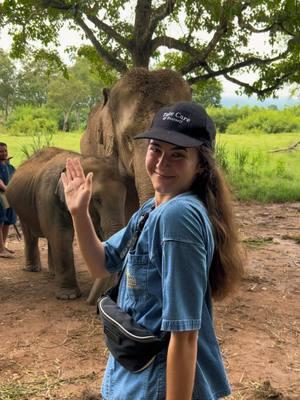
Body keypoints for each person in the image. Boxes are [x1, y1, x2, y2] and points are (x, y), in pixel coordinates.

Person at [61, 101, 244, 400]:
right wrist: (79, 213)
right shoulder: (153, 208)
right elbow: (100, 264)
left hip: (156, 384)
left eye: (178, 154)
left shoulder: (178, 217)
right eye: (156, 148)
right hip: (137, 373)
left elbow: (184, 335)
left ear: (201, 164)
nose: (161, 162)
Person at [0, 142, 17, 258]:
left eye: (5, 151)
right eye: (1, 151)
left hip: (8, 195)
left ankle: (2, 245)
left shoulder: (10, 166)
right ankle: (1, 250)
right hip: (1, 195)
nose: (4, 153)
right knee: (0, 221)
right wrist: (7, 189)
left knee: (7, 221)